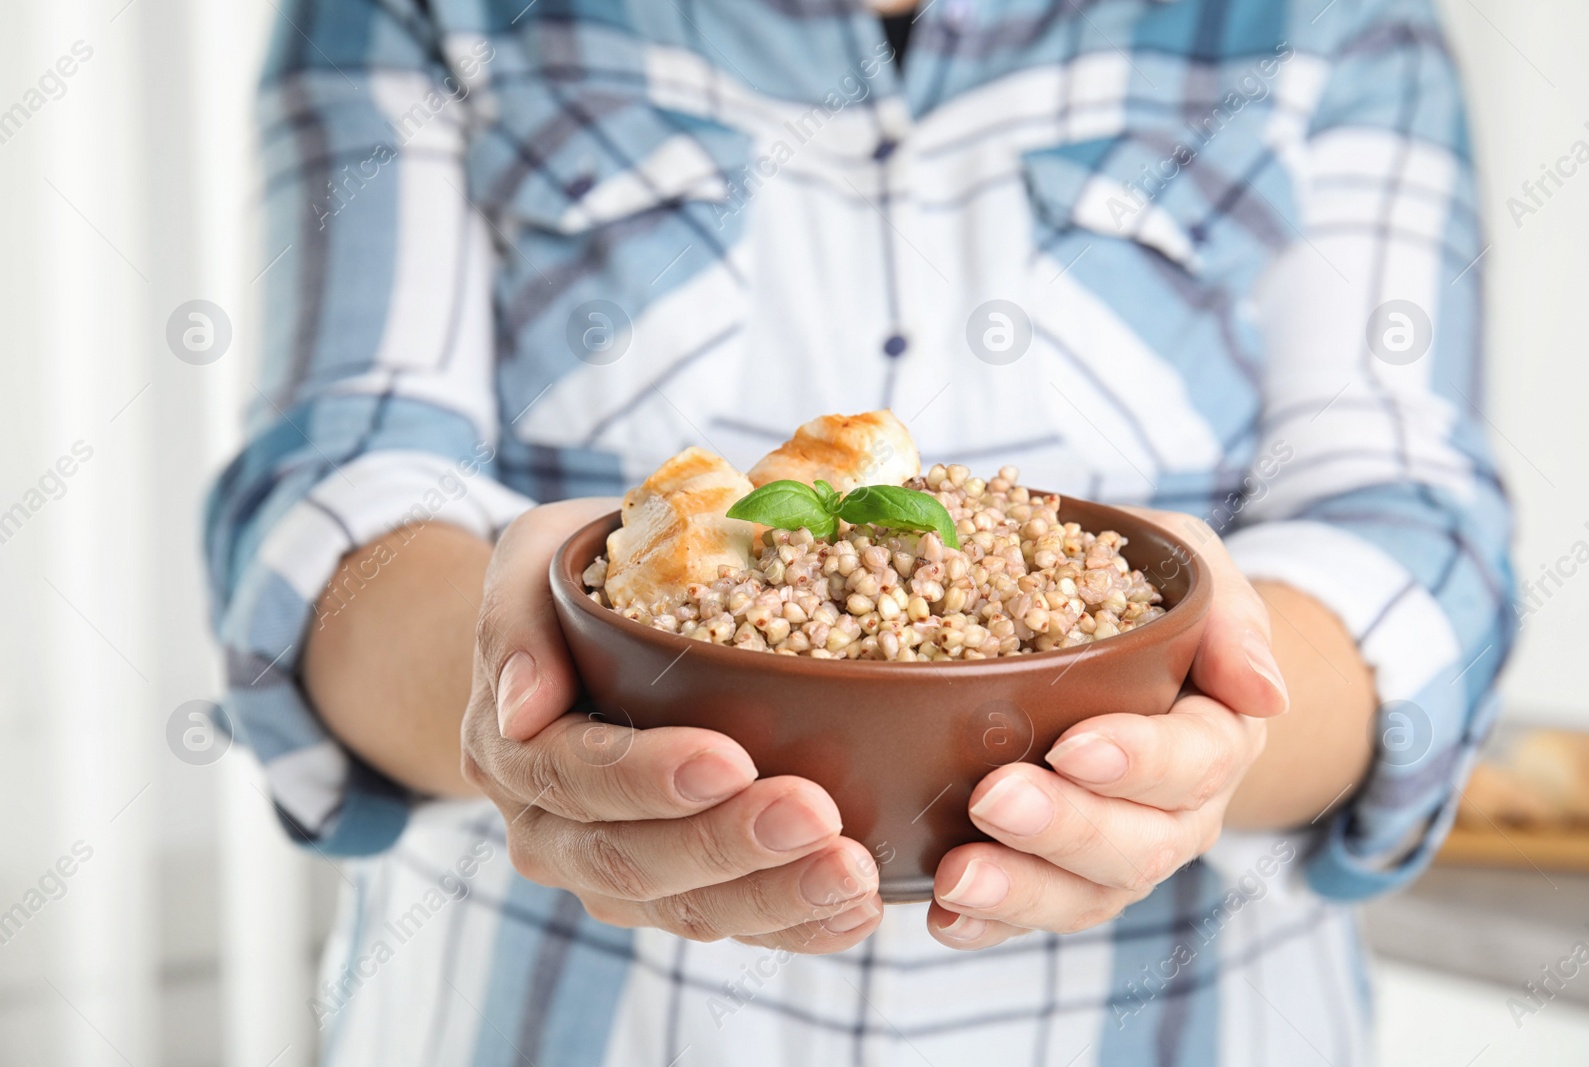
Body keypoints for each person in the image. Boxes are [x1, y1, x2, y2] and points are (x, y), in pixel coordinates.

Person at [205, 0, 1514, 1062]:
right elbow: (332, 507)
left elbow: (1416, 543)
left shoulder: (1340, 24)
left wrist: (1196, 735)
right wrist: (524, 698)